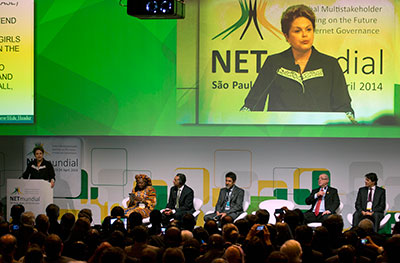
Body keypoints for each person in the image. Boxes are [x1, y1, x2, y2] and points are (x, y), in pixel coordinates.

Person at [241, 5, 354, 116]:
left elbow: (344, 108)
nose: (305, 35)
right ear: (286, 36)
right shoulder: (274, 63)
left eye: (308, 29)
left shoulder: (330, 65)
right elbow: (253, 104)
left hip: (320, 132)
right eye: (297, 31)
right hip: (280, 133)